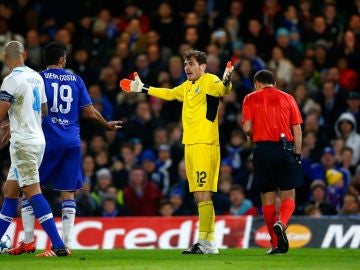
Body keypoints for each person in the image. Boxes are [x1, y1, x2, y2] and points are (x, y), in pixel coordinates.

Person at [8, 41, 122, 256]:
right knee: (68, 192)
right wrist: (106, 125)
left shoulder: (38, 78)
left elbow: (29, 107)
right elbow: (89, 111)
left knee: (29, 188)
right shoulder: (76, 80)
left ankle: (29, 241)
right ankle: (66, 244)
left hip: (47, 141)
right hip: (72, 142)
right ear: (62, 60)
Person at [120, 48, 234, 254]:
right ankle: (209, 243)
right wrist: (144, 88)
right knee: (199, 195)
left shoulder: (209, 80)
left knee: (203, 193)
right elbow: (171, 93)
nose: (187, 68)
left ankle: (205, 242)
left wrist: (226, 82)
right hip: (190, 144)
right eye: (185, 64)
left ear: (203, 66)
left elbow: (223, 90)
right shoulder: (188, 86)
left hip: (204, 144)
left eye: (191, 64)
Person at [0, 41, 68, 257]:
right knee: (10, 192)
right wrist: (21, 119)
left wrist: (14, 122)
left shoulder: (10, 80)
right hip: (38, 140)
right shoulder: (37, 77)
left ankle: (58, 246)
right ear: (25, 55)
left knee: (32, 191)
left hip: (23, 144)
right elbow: (45, 110)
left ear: (5, 58)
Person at [242, 69, 303, 255]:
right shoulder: (288, 98)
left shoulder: (250, 98)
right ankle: (281, 223)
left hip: (262, 151)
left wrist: (251, 136)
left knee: (267, 198)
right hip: (284, 148)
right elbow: (298, 130)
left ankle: (276, 244)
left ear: (256, 84)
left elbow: (246, 127)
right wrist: (297, 155)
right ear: (274, 83)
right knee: (288, 196)